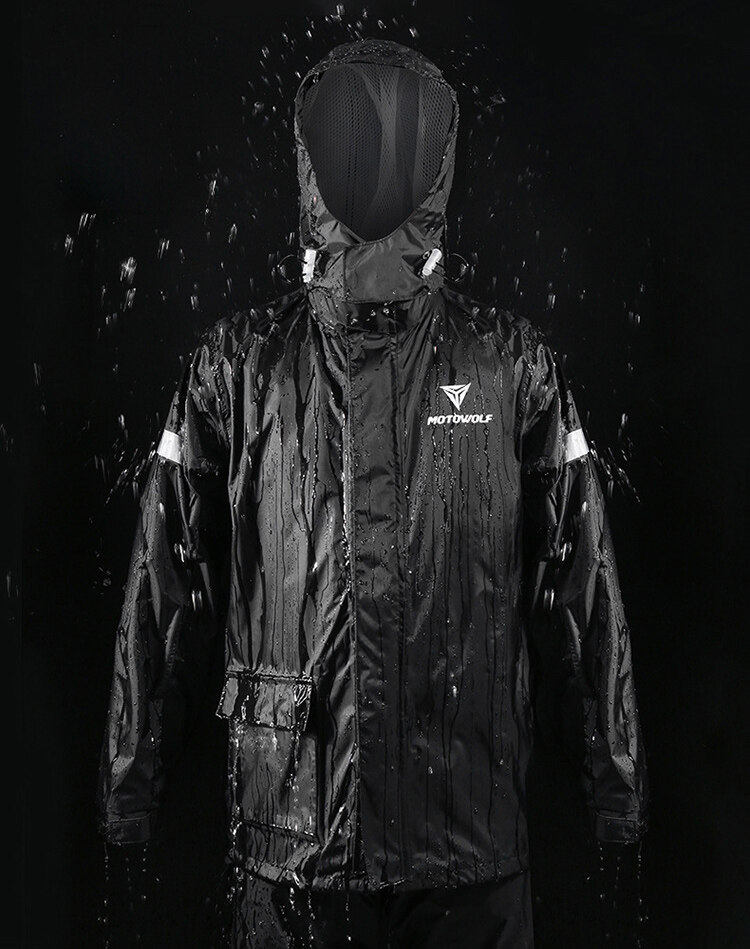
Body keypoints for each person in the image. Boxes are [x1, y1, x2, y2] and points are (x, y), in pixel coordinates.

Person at [98, 38, 649, 948]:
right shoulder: (237, 368)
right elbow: (170, 587)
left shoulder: (510, 365)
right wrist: (132, 780)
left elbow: (577, 589)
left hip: (466, 845)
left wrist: (613, 780)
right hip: (296, 846)